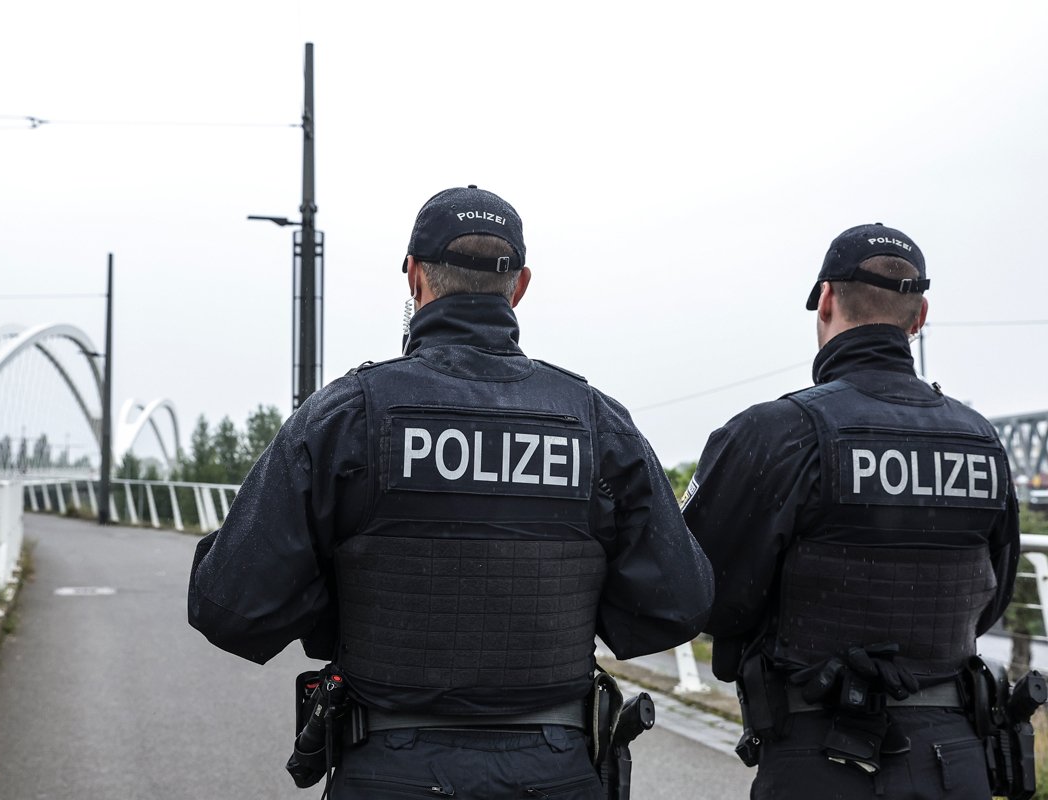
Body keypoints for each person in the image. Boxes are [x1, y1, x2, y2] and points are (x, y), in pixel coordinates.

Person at [189, 185, 714, 798]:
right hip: (556, 772)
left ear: (414, 278)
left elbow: (229, 606)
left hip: (388, 769)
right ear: (519, 286)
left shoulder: (347, 417)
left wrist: (340, 601)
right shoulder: (597, 422)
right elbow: (679, 602)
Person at [681, 222, 1022, 799]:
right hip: (957, 760)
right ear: (920, 315)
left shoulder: (774, 431)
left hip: (820, 755)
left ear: (827, 299)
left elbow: (700, 592)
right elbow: (993, 596)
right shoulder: (980, 439)